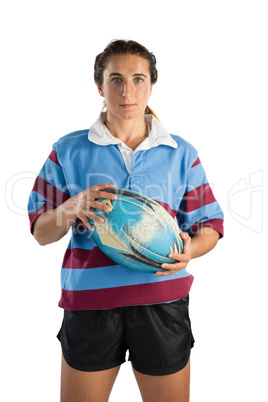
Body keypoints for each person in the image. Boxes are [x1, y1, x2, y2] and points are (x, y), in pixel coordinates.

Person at [28, 39, 224, 402]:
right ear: (100, 87)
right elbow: (40, 231)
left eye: (138, 79)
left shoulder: (181, 152)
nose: (127, 90)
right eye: (115, 79)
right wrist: (71, 208)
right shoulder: (68, 150)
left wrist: (191, 251)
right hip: (89, 305)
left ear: (151, 84)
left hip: (162, 303)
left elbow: (209, 225)